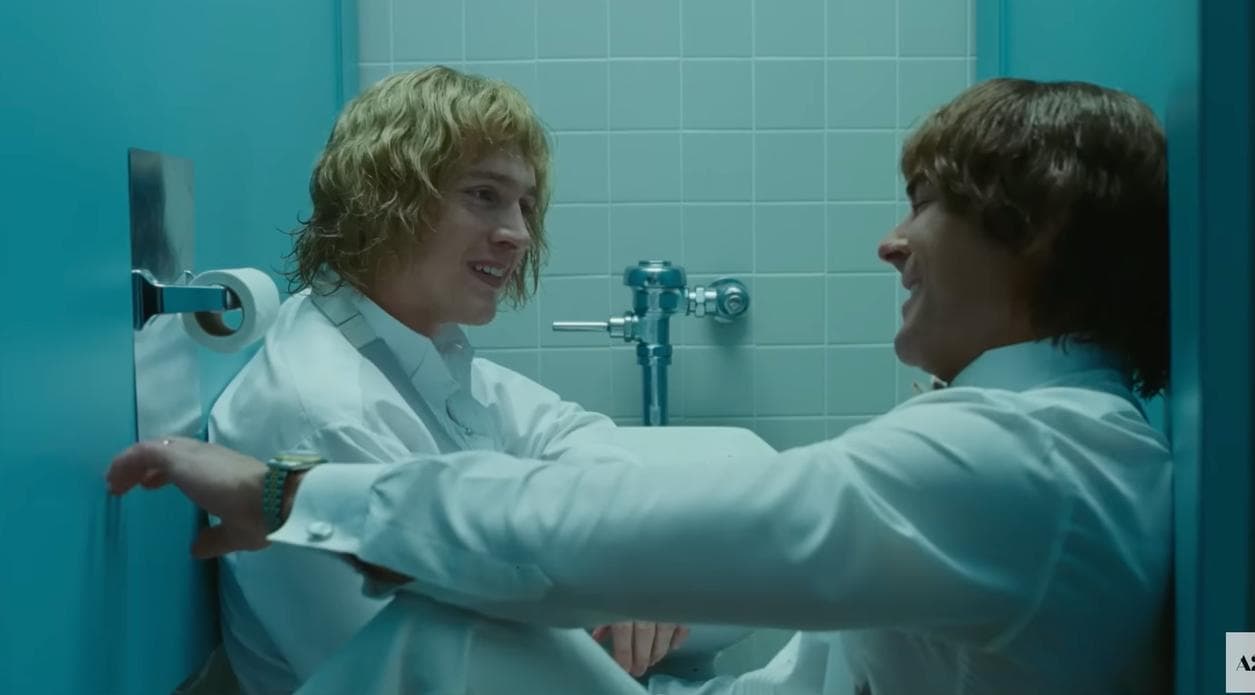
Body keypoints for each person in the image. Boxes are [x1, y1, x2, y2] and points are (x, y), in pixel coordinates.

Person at [109, 78, 1173, 694]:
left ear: (1033, 236)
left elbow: (639, 513)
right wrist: (630, 565)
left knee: (450, 633)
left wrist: (286, 493)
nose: (891, 242)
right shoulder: (1052, 439)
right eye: (483, 196)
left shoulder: (1020, 459)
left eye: (927, 202)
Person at [205, 65, 686, 695]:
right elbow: (439, 670)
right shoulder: (326, 412)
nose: (518, 233)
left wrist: (622, 553)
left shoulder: (402, 344)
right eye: (484, 194)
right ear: (385, 198)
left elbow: (568, 431)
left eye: (525, 205)